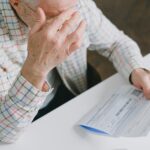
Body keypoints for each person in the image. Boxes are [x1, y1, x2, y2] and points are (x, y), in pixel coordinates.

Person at [0, 0, 150, 143]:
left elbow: (116, 43)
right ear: (16, 2)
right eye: (54, 17)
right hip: (25, 121)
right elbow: (5, 132)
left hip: (74, 92)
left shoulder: (71, 4)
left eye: (71, 12)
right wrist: (36, 67)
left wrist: (136, 69)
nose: (69, 24)